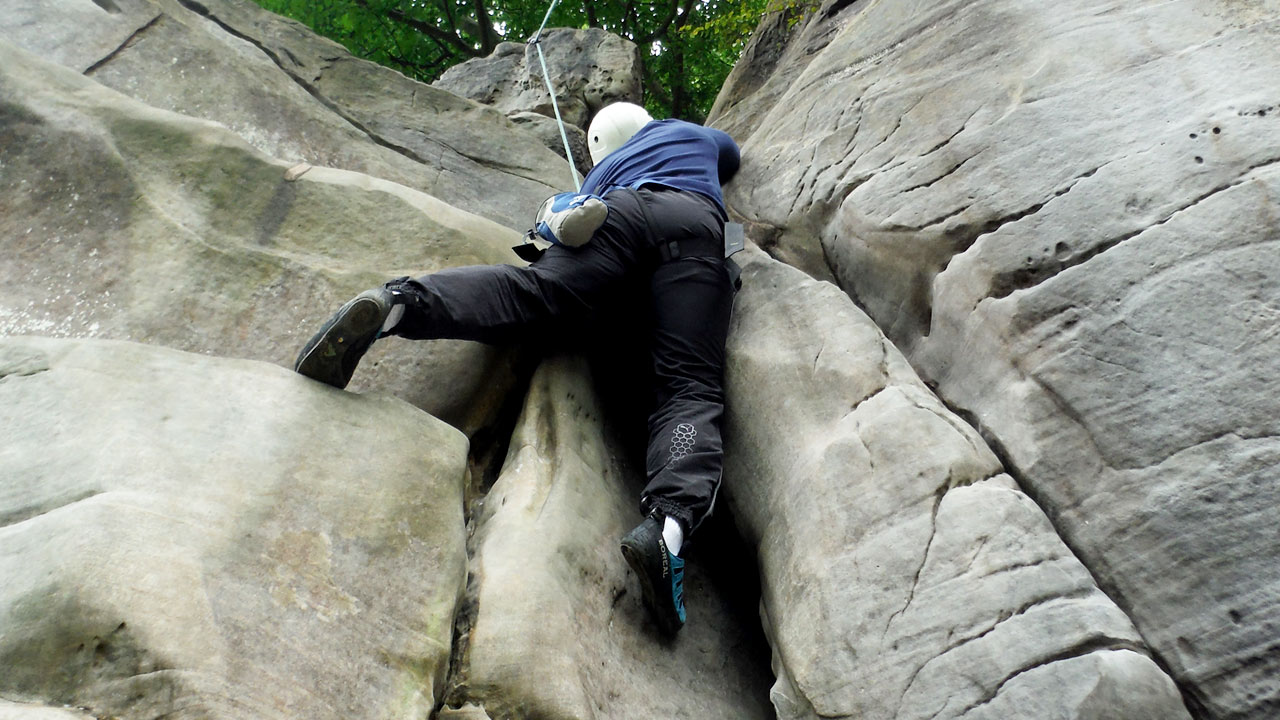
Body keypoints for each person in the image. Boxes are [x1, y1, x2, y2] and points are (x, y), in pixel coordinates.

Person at [293, 102, 740, 635]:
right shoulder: (692, 135)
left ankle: (396, 304)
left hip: (614, 215)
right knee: (686, 386)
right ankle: (666, 530)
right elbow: (731, 155)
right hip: (691, 227)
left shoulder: (602, 172)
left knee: (532, 293)